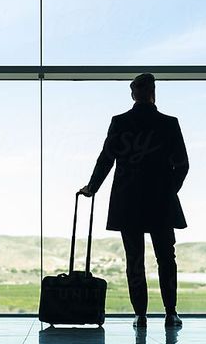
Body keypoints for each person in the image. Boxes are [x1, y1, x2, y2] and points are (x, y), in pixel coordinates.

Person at [79, 72, 189, 328]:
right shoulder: (169, 123)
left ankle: (140, 315)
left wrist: (92, 187)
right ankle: (170, 312)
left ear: (133, 93)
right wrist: (169, 191)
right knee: (166, 258)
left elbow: (106, 159)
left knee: (134, 260)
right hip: (160, 203)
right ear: (154, 92)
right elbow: (182, 164)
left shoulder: (120, 122)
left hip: (128, 201)